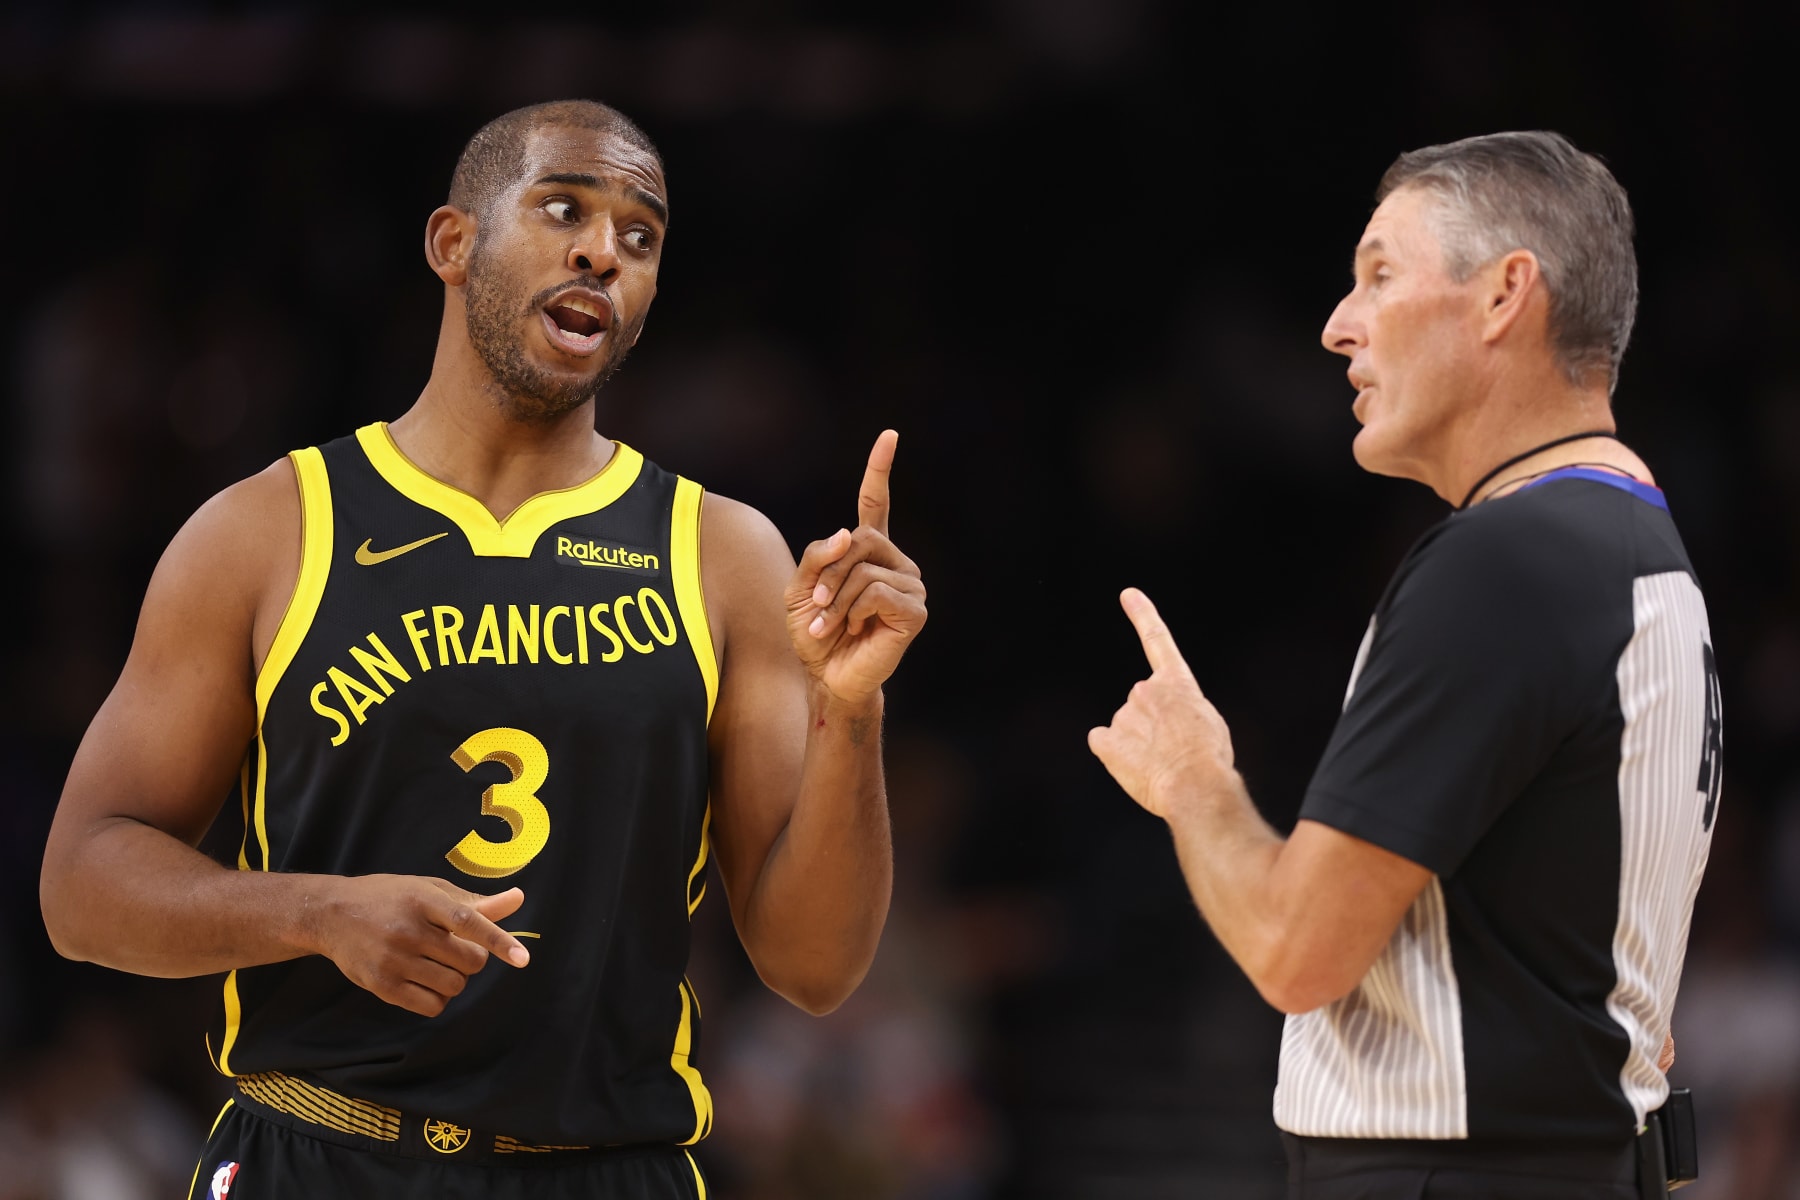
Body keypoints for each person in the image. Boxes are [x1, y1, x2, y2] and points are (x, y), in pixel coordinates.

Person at [38, 98, 928, 1200]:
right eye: (565, 208)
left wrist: (854, 709)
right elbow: (80, 886)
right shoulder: (270, 530)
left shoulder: (723, 556)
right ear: (452, 244)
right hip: (315, 1154)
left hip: (609, 1167)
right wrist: (316, 913)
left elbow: (816, 967)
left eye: (640, 238)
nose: (604, 250)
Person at [1088, 131, 1717, 1199]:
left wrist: (1193, 781)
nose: (1339, 327)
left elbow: (1296, 950)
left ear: (1506, 293)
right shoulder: (1640, 547)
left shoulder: (1506, 561)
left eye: (1380, 275)